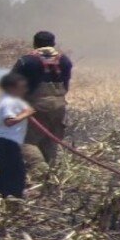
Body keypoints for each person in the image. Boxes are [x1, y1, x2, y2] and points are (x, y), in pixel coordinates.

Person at [11, 31, 73, 171]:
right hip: (59, 107)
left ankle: (41, 169)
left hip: (35, 107)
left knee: (25, 141)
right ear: (53, 44)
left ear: (35, 43)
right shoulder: (65, 61)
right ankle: (50, 174)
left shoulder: (26, 61)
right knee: (50, 140)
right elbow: (66, 85)